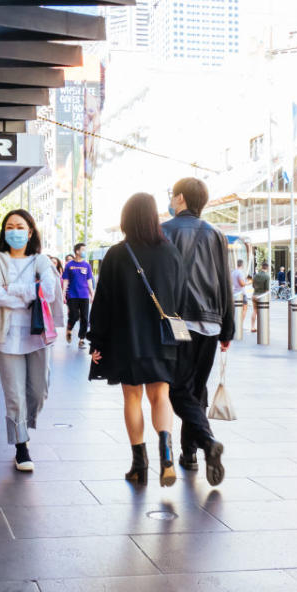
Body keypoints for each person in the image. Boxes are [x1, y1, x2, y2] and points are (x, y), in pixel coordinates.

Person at [89, 193, 185, 488]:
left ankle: (139, 463)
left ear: (126, 218)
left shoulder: (117, 254)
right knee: (161, 396)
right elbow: (180, 296)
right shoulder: (171, 253)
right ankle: (167, 453)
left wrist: (97, 341)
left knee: (133, 397)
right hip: (162, 337)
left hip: (126, 338)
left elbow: (102, 302)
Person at [162, 177, 231, 486]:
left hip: (178, 318)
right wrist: (227, 327)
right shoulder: (216, 233)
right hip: (212, 321)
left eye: (171, 196)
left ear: (179, 199)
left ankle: (206, 441)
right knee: (196, 388)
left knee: (177, 389)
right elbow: (224, 281)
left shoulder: (165, 231)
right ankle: (189, 452)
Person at [0, 210, 58, 472]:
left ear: (30, 232)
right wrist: (30, 293)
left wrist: (13, 289)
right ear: (5, 233)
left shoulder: (41, 261)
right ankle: (21, 446)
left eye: (20, 226)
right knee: (15, 395)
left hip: (37, 335)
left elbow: (47, 293)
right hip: (7, 337)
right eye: (9, 227)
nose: (14, 231)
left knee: (39, 392)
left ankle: (23, 425)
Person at [63, 242, 95, 349]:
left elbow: (89, 281)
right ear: (77, 251)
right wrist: (63, 294)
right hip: (72, 295)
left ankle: (81, 339)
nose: (85, 252)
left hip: (84, 295)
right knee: (74, 316)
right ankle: (69, 329)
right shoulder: (69, 265)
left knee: (85, 318)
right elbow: (66, 281)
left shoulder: (87, 265)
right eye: (83, 250)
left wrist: (92, 294)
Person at [251, 262, 270, 331]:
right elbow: (267, 289)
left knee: (254, 311)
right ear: (267, 268)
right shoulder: (267, 276)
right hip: (262, 297)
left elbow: (253, 286)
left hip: (254, 295)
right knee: (262, 312)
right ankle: (262, 328)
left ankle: (252, 327)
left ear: (261, 267)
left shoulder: (255, 275)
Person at [230, 259, 247, 329]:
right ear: (242, 265)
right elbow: (242, 284)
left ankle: (235, 323)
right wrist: (248, 282)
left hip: (234, 293)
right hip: (241, 293)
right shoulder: (240, 272)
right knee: (244, 309)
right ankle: (239, 324)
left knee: (235, 309)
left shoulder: (233, 272)